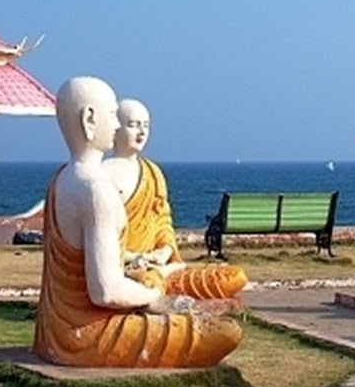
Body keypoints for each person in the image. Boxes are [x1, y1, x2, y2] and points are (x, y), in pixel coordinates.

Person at [32, 76, 242, 368]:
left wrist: (161, 257)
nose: (117, 125)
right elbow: (104, 290)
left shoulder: (60, 180)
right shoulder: (97, 190)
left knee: (219, 287)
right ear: (89, 119)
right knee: (225, 334)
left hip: (51, 333)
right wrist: (157, 299)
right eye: (112, 116)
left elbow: (160, 222)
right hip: (87, 334)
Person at [103, 98, 247, 299]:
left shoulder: (153, 172)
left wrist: (165, 250)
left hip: (159, 264)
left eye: (146, 126)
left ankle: (159, 283)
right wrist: (135, 257)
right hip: (126, 266)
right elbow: (102, 239)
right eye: (134, 125)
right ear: (115, 128)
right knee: (145, 282)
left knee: (234, 276)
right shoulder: (103, 175)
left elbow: (162, 222)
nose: (142, 132)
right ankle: (153, 290)